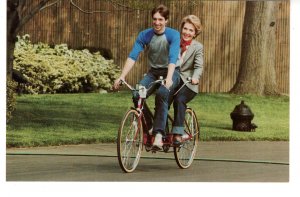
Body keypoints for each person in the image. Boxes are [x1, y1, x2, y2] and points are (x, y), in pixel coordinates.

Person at [114, 4, 181, 150]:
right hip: (154, 72)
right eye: (155, 19)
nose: (157, 22)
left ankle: (158, 134)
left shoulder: (173, 34)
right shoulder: (145, 35)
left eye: (160, 19)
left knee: (162, 94)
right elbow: (133, 56)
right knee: (137, 94)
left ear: (166, 20)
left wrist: (169, 79)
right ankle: (150, 127)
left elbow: (173, 57)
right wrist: (122, 76)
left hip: (172, 70)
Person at [170, 15, 204, 145]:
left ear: (195, 33)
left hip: (188, 84)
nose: (187, 32)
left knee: (179, 99)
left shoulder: (198, 47)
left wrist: (195, 77)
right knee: (162, 99)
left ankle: (178, 133)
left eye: (191, 30)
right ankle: (158, 131)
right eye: (185, 29)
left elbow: (198, 66)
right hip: (173, 80)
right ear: (181, 29)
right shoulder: (175, 42)